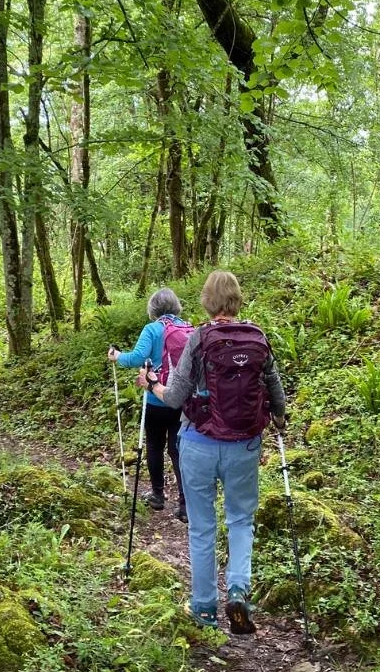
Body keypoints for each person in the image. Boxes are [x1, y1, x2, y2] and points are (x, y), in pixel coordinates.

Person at [138, 271, 286, 635]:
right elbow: (276, 392)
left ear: (206, 301)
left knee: (203, 527)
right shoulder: (258, 338)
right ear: (237, 301)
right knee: (240, 521)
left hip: (199, 443)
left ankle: (204, 607)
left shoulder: (200, 339)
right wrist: (279, 421)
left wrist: (152, 384)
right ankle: (238, 589)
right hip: (245, 446)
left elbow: (174, 397)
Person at [107, 288, 189, 522]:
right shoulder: (187, 328)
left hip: (155, 397)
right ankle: (185, 505)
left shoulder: (152, 329)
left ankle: (157, 496)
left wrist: (117, 356)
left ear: (153, 308)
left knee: (154, 446)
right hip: (180, 399)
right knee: (177, 450)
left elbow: (136, 358)